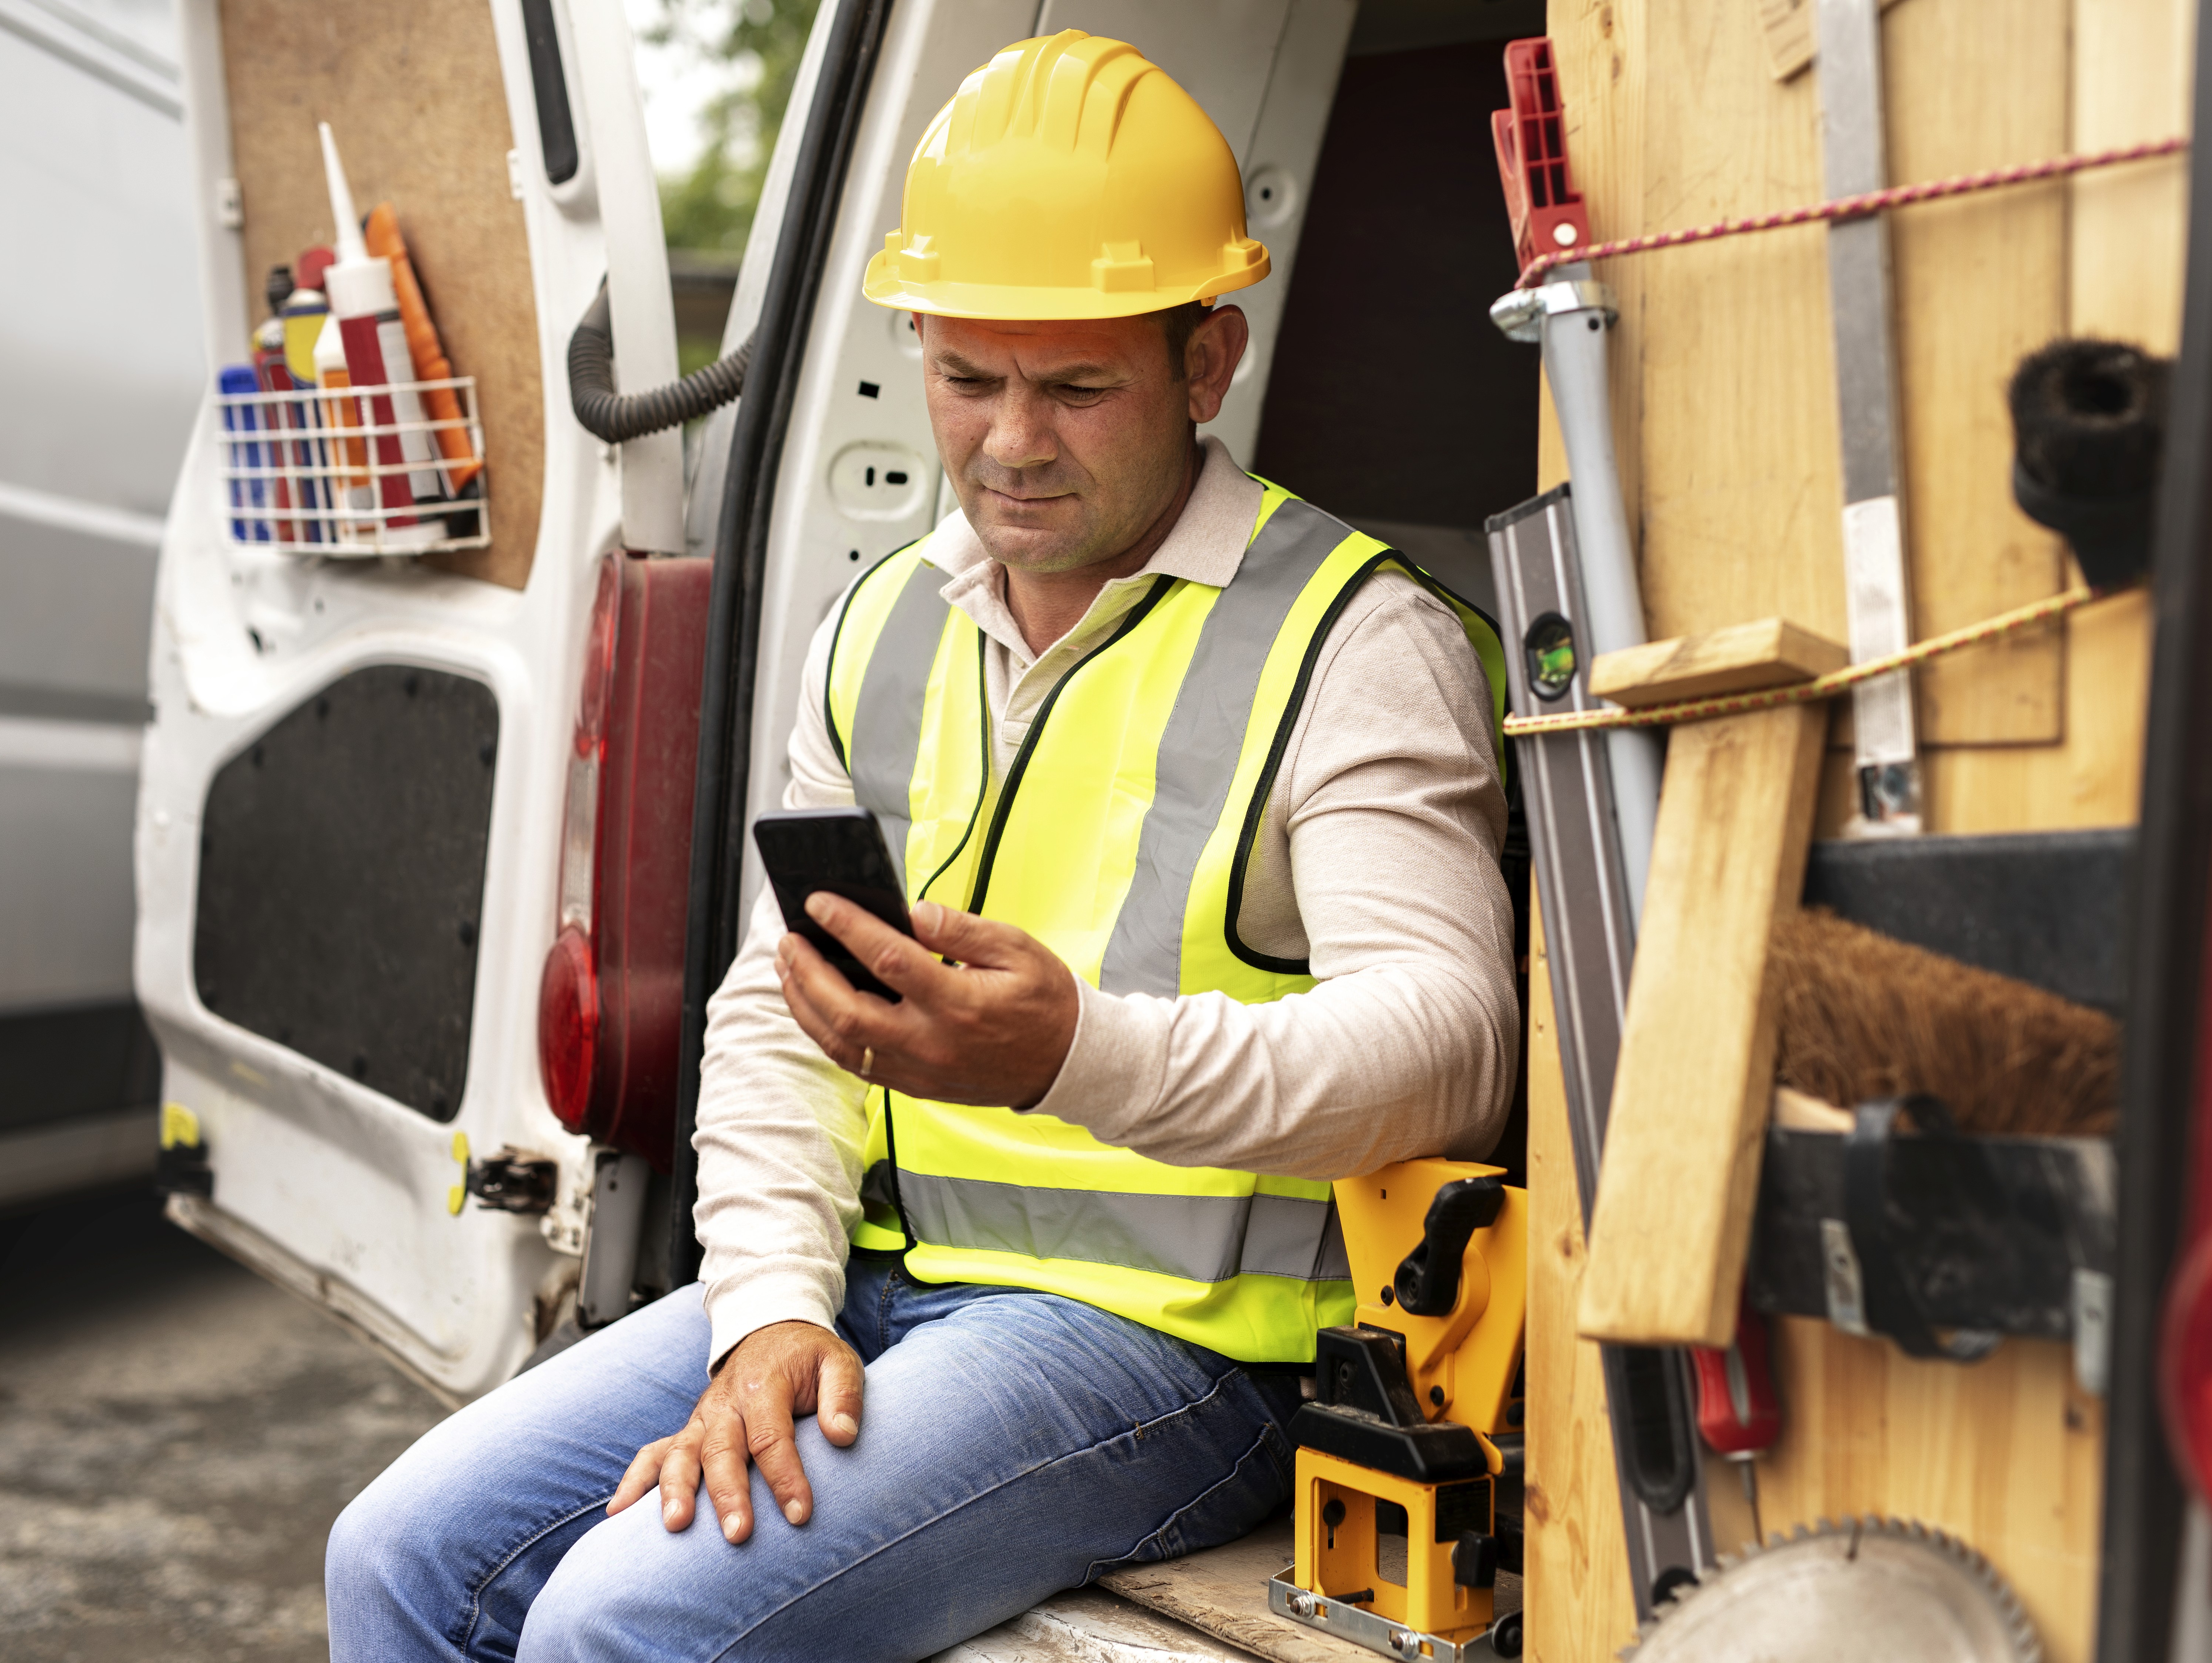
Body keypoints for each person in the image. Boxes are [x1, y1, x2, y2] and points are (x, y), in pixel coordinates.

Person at [326, 29, 1516, 1662]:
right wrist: (770, 1313)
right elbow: (773, 1011)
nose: (1012, 442)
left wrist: (1070, 1054)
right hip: (887, 1281)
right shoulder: (882, 621)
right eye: (968, 376)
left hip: (1176, 1352)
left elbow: (1453, 1047)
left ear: (1207, 358)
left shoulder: (1356, 642)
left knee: (624, 1623)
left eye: (1078, 385)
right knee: (389, 1556)